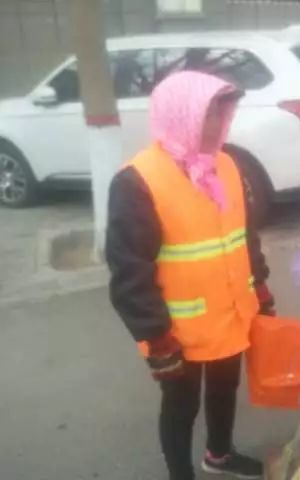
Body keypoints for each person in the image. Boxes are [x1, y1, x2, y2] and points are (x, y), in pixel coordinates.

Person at [106, 71, 274, 480]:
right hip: (177, 329)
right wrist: (156, 337)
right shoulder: (138, 181)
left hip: (230, 313)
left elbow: (243, 235)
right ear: (179, 115)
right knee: (182, 405)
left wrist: (260, 288)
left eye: (223, 114)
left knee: (224, 388)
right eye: (207, 115)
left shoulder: (228, 164)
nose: (217, 125)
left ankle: (220, 454)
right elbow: (129, 270)